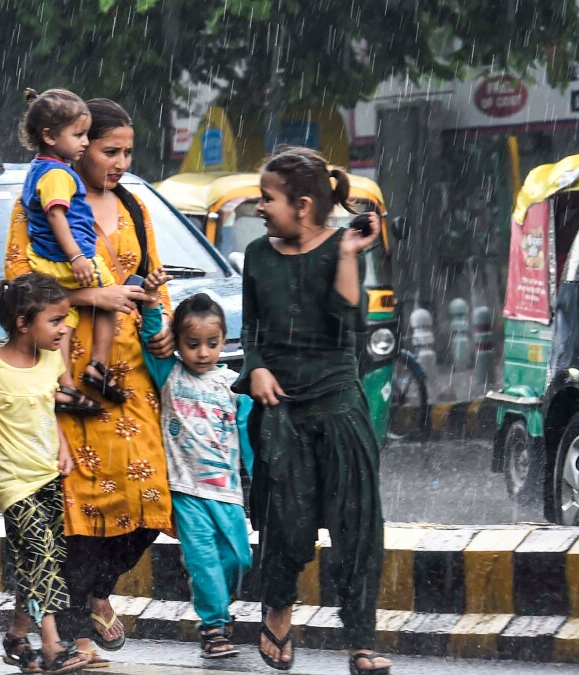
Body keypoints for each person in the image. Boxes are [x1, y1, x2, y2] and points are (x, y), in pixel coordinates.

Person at [3, 98, 175, 669]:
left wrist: (164, 323)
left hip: (130, 386)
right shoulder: (40, 204)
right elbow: (18, 293)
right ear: (76, 147)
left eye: (128, 152)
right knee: (76, 511)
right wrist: (88, 297)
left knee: (150, 506)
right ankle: (75, 638)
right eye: (108, 150)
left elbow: (151, 277)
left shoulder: (132, 206)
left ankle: (98, 591)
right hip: (68, 375)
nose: (120, 162)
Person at [235, 146, 392, 674]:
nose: (260, 208)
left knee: (358, 524)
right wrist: (254, 367)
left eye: (267, 199)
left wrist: (350, 254)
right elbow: (250, 327)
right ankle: (277, 611)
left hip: (339, 404)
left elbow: (346, 322)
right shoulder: (257, 255)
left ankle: (361, 641)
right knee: (285, 522)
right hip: (280, 409)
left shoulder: (342, 249)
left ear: (302, 205)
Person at [0, 273, 90, 675]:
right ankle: (53, 644)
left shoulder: (52, 360)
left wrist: (63, 449)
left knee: (39, 560)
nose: (64, 328)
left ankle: (16, 636)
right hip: (12, 483)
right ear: (23, 324)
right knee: (42, 554)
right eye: (56, 320)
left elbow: (52, 409)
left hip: (46, 475)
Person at [138, 287, 255, 660]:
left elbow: (249, 438)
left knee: (239, 558)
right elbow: (148, 339)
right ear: (177, 343)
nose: (202, 353)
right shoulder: (169, 373)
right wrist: (154, 306)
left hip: (228, 492)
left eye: (212, 343)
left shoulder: (233, 385)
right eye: (192, 344)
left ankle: (218, 603)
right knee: (203, 560)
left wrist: (258, 478)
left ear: (223, 341)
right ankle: (214, 626)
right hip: (186, 490)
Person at [18, 87, 124, 414]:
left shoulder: (38, 169)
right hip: (69, 259)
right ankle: (98, 366)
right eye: (78, 135)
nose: (83, 142)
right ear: (50, 136)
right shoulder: (56, 174)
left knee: (64, 321)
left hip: (48, 262)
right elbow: (56, 214)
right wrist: (77, 256)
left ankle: (65, 387)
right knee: (112, 297)